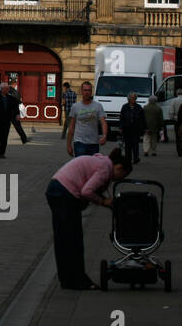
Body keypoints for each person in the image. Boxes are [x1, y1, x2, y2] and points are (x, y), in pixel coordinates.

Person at [45, 147, 132, 290]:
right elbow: (87, 191)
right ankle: (78, 280)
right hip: (66, 194)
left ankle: (67, 279)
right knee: (74, 240)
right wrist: (104, 201)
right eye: (122, 175)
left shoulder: (101, 161)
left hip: (55, 189)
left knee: (62, 240)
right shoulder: (106, 168)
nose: (119, 179)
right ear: (119, 167)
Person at [65, 81, 107, 157]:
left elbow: (103, 122)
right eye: (85, 90)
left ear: (91, 92)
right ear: (81, 91)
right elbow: (71, 127)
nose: (87, 92)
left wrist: (104, 136)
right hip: (79, 142)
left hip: (93, 143)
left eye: (89, 90)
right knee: (81, 166)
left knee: (92, 167)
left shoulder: (98, 106)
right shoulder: (75, 107)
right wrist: (68, 145)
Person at [0, 80, 28, 157]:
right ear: (1, 89)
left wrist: (17, 115)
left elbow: (16, 108)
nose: (7, 90)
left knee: (5, 136)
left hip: (7, 119)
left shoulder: (11, 98)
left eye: (7, 88)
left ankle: (2, 152)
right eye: (5, 88)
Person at [119, 92, 145, 165]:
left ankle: (136, 158)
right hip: (126, 128)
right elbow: (121, 118)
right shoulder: (125, 107)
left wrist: (142, 128)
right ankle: (128, 158)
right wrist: (121, 127)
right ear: (129, 99)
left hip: (135, 129)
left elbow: (142, 119)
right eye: (133, 98)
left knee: (135, 144)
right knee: (128, 145)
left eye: (135, 98)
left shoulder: (139, 107)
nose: (134, 100)